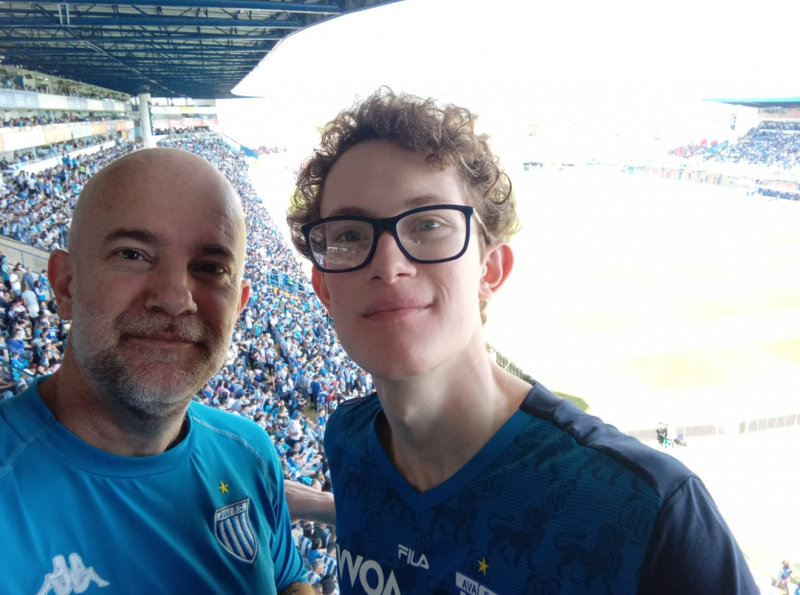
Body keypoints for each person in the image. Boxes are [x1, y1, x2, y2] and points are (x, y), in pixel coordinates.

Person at [286, 88, 759, 594]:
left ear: (490, 269)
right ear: (324, 288)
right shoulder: (347, 439)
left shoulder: (650, 510)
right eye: (351, 235)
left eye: (427, 224)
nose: (388, 264)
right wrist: (323, 506)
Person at [0, 148, 312, 594]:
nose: (174, 297)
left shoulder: (250, 452)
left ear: (239, 307)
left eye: (209, 267)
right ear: (65, 284)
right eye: (132, 254)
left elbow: (288, 580)